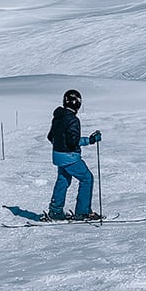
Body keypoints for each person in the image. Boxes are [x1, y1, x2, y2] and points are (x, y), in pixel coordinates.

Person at [45, 89, 101, 219]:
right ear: (78, 104)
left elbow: (50, 137)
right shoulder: (73, 120)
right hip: (70, 157)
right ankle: (83, 211)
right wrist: (91, 140)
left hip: (58, 156)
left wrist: (59, 145)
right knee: (87, 178)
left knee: (63, 180)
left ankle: (55, 211)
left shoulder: (57, 117)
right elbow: (73, 142)